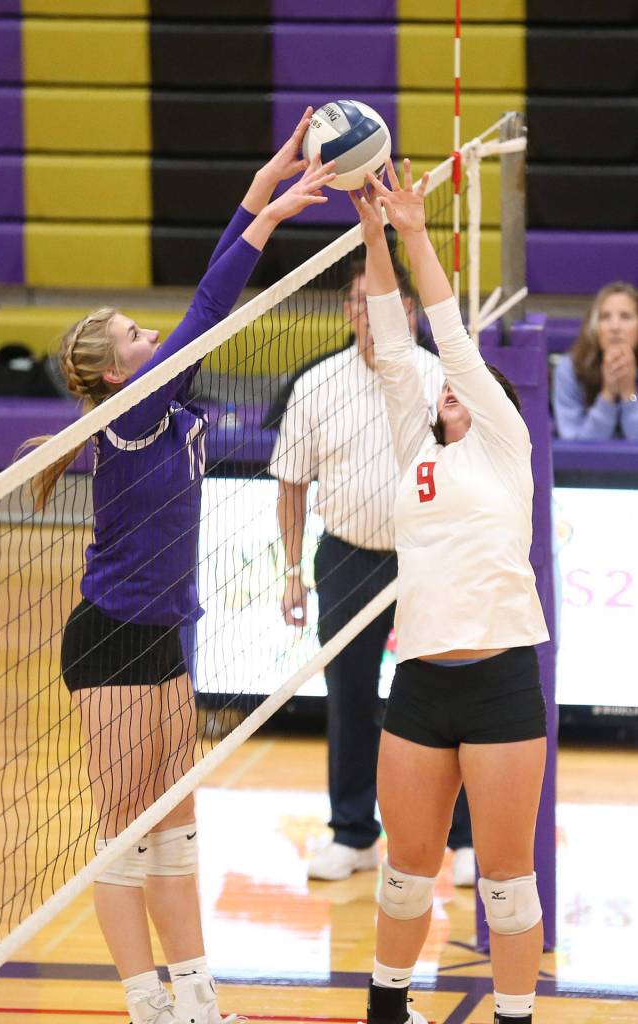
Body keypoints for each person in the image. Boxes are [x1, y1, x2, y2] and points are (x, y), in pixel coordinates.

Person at [23, 114, 335, 1024]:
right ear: (116, 375)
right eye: (132, 335)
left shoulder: (173, 403)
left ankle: (195, 999)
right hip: (112, 638)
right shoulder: (132, 414)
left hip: (163, 637)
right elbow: (211, 302)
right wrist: (269, 217)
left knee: (175, 830)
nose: (149, 334)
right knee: (121, 836)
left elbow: (202, 310)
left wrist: (265, 178)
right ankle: (144, 1004)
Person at [349, 160, 549, 1024]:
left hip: (500, 678)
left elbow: (444, 337)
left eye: (458, 388)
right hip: (422, 681)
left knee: (505, 882)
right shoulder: (416, 449)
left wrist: (415, 230)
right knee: (405, 867)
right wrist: (370, 232)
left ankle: (513, 1016)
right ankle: (386, 1009)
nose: (444, 390)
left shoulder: (504, 443)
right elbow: (395, 344)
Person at [269, 258, 475, 886]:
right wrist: (291, 572)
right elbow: (291, 482)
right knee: (351, 698)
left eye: (381, 301)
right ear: (346, 311)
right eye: (359, 301)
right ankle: (354, 834)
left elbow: (470, 470)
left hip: (427, 556)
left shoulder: (440, 377)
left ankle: (462, 839)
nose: (369, 312)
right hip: (348, 556)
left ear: (407, 313)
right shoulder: (317, 384)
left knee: (449, 696)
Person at [553, 282, 638, 440]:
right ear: (594, 327)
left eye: (625, 316)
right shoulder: (569, 368)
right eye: (605, 317)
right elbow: (574, 444)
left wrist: (629, 393)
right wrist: (608, 395)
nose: (615, 327)